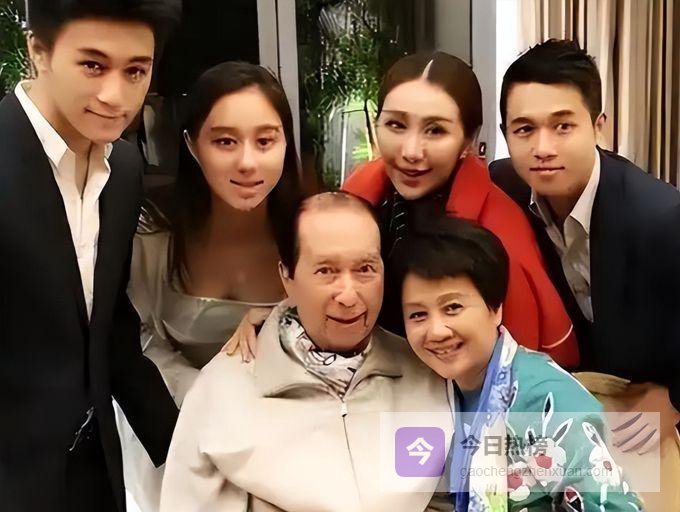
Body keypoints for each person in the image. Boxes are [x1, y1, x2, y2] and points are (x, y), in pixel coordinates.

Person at [159, 192, 452, 511]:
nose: (348, 295)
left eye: (365, 269)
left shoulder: (428, 374)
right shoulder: (224, 390)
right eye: (326, 271)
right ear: (287, 276)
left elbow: (453, 496)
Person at [0, 1, 181, 511]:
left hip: (95, 471)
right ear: (38, 51)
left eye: (136, 71)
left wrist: (184, 450)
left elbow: (109, 330)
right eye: (93, 65)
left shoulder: (123, 168)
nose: (115, 96)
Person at [493, 39, 680, 509]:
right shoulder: (504, 187)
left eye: (563, 126)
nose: (542, 148)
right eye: (524, 129)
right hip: (572, 401)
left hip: (645, 402)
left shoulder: (660, 216)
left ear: (599, 126)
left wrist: (673, 397)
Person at [117, 60, 304, 511]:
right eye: (224, 141)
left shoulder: (313, 234)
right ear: (191, 145)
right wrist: (210, 397)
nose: (247, 162)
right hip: (176, 433)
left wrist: (280, 318)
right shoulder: (153, 235)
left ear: (286, 143)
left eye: (265, 141)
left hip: (290, 440)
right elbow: (138, 339)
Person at [341, 51, 578, 368]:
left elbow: (515, 371)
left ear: (469, 140)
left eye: (435, 130)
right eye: (396, 125)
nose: (411, 151)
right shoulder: (359, 200)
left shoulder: (498, 235)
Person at [391, 217, 642, 511]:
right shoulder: (430, 390)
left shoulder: (545, 400)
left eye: (453, 307)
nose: (436, 331)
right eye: (418, 315)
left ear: (495, 308)